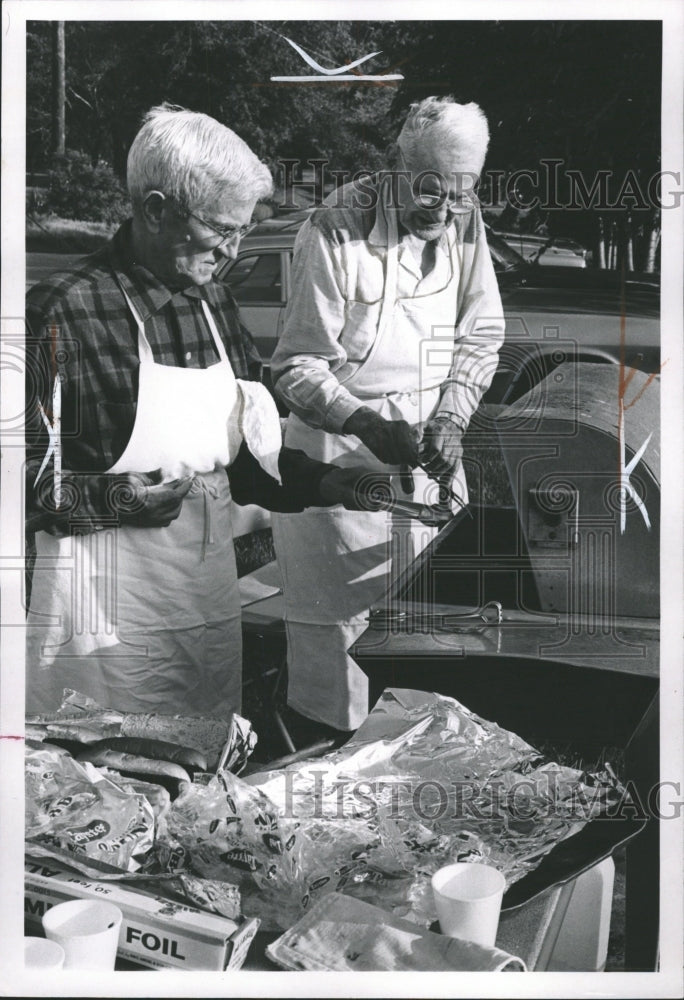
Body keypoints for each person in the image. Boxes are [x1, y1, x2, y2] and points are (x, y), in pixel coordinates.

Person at [25, 103, 380, 717]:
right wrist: (118, 498)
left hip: (206, 600)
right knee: (112, 781)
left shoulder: (214, 304)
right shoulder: (64, 311)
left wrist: (337, 483)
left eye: (245, 229)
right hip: (102, 610)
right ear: (156, 208)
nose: (235, 250)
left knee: (203, 768)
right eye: (222, 230)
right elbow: (17, 479)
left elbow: (245, 464)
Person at [270, 97, 506, 733]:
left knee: (423, 667)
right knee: (339, 679)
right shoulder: (334, 227)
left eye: (463, 196)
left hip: (427, 471)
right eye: (432, 193)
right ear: (397, 167)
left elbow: (480, 334)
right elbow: (295, 368)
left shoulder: (465, 216)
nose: (447, 211)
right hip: (333, 475)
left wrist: (451, 419)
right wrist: (368, 425)